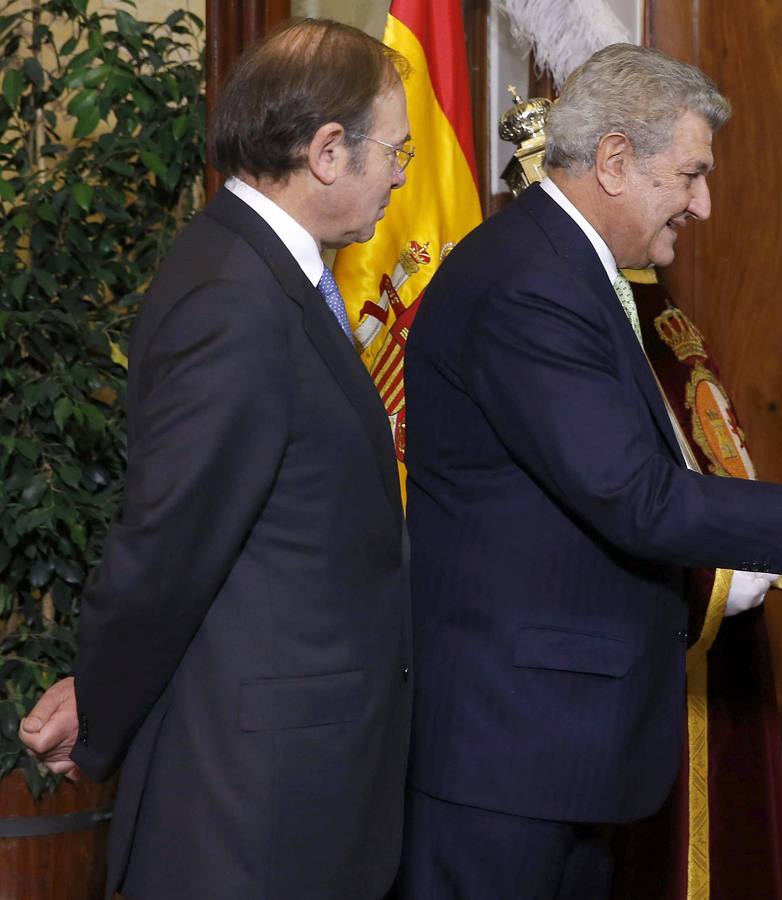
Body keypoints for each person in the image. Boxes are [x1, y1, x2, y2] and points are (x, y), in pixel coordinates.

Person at [400, 43, 782, 900]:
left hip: (551, 753)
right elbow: (634, 495)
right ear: (613, 160)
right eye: (690, 175)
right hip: (508, 764)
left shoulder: (566, 268)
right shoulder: (530, 282)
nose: (704, 204)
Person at [19, 19, 415, 899]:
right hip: (258, 803)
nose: (400, 173)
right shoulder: (236, 298)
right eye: (395, 149)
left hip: (293, 778)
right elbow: (167, 543)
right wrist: (103, 706)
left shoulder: (261, 269)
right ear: (325, 151)